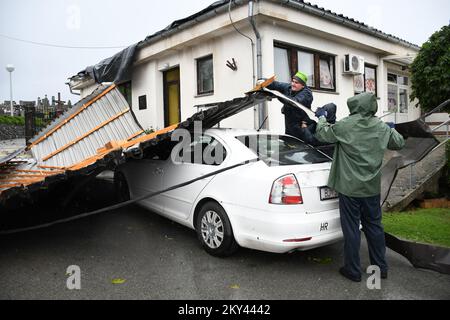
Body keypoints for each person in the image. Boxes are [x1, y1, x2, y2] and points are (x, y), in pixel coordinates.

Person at [314, 92, 405, 282]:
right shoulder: (380, 126)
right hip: (371, 188)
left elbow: (322, 134)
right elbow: (399, 142)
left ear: (354, 106)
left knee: (352, 229)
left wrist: (322, 117)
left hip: (349, 188)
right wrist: (390, 129)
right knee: (374, 228)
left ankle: (353, 271)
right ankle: (381, 268)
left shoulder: (346, 124)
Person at [266, 71, 335, 146]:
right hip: (290, 125)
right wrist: (263, 82)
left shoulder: (307, 94)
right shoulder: (289, 87)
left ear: (303, 86)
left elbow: (293, 102)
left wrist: (277, 95)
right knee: (289, 145)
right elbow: (276, 84)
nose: (293, 84)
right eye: (292, 81)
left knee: (300, 146)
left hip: (302, 126)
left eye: (296, 83)